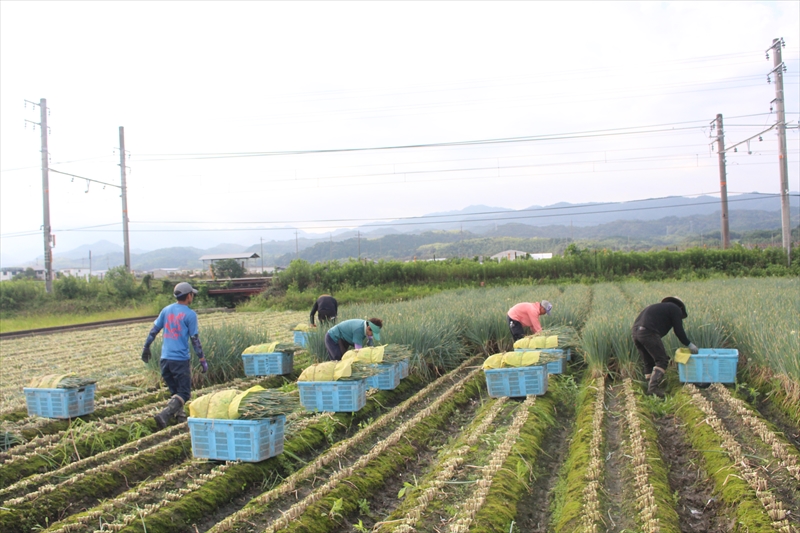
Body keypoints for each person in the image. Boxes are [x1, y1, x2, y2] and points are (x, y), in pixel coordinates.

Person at [141, 282, 208, 428]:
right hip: (180, 360)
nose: (193, 297)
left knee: (175, 392)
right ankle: (164, 415)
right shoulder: (190, 315)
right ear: (188, 296)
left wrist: (146, 346)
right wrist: (202, 359)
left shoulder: (166, 310)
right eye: (192, 295)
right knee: (184, 394)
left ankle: (181, 419)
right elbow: (195, 339)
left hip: (165, 359)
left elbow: (154, 330)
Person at [632, 296, 698, 398]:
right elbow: (679, 331)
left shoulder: (658, 308)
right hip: (649, 332)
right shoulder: (675, 308)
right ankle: (653, 389)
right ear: (680, 307)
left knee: (649, 361)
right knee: (662, 360)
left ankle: (649, 389)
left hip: (636, 333)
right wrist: (689, 344)